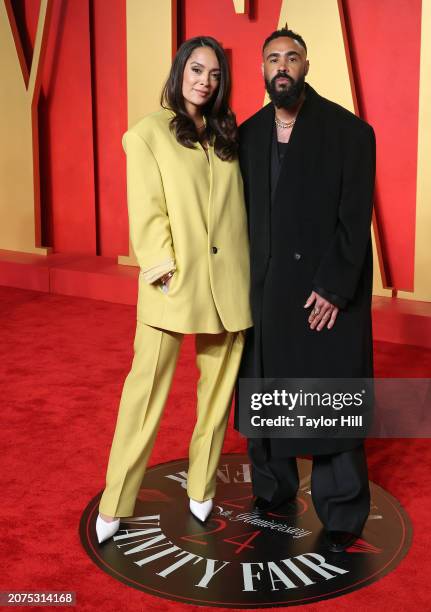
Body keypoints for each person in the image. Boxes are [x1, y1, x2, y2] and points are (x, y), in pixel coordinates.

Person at [96, 36, 252, 544]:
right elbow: (146, 207)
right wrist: (160, 265)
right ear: (179, 70)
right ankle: (116, 500)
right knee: (144, 396)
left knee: (217, 399)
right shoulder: (146, 134)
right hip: (173, 282)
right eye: (196, 70)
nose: (205, 81)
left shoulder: (229, 134)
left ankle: (202, 487)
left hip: (229, 288)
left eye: (214, 73)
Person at [237, 28, 376, 553]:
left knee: (329, 398)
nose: (282, 66)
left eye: (292, 58)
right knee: (267, 391)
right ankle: (272, 491)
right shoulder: (247, 134)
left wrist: (334, 289)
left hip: (322, 292)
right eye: (273, 58)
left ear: (307, 67)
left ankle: (342, 514)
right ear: (262, 70)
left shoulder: (349, 133)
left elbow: (353, 220)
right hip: (266, 291)